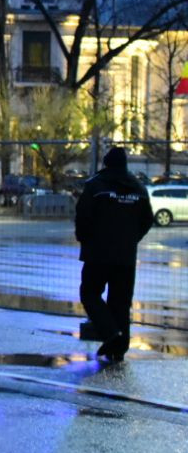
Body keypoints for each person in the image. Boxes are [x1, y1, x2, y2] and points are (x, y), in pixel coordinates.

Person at [75, 146, 154, 362]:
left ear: (106, 164)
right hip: (125, 255)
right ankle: (119, 347)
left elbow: (83, 216)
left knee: (90, 293)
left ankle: (110, 332)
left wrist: (85, 239)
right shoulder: (138, 188)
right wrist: (131, 239)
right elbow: (147, 219)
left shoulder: (95, 186)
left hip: (98, 253)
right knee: (121, 301)